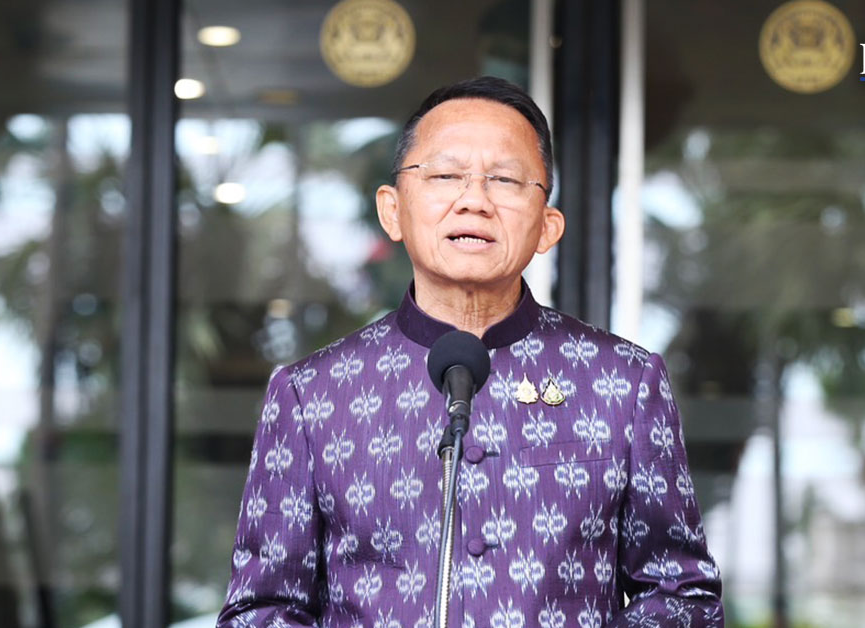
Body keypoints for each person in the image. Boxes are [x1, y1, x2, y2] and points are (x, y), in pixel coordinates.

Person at [217, 76, 723, 627]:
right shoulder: (311, 394)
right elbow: (261, 610)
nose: (475, 201)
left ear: (547, 225)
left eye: (504, 179)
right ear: (392, 210)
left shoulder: (623, 381)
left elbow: (681, 596)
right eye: (445, 175)